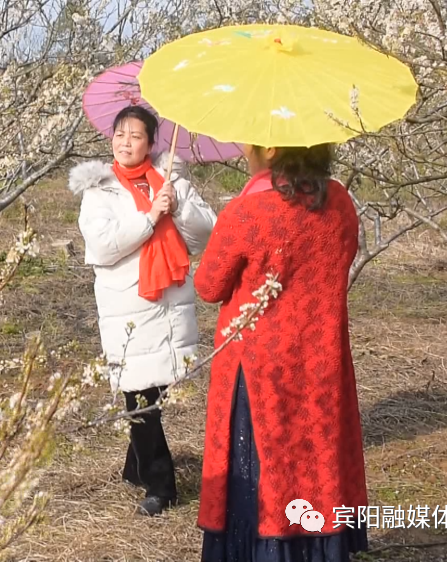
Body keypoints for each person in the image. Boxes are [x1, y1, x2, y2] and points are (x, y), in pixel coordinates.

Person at [194, 144, 369, 561]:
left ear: (269, 149)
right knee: (316, 460)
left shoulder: (248, 212)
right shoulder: (339, 201)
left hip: (259, 367)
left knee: (262, 471)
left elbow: (208, 286)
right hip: (321, 360)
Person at [69, 105, 217, 516]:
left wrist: (177, 204)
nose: (125, 142)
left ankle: (136, 466)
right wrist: (150, 217)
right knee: (139, 397)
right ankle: (160, 484)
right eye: (120, 134)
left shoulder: (170, 181)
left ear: (152, 144)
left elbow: (207, 231)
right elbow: (103, 244)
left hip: (169, 304)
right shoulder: (100, 189)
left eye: (135, 136)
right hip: (128, 307)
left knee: (156, 389)